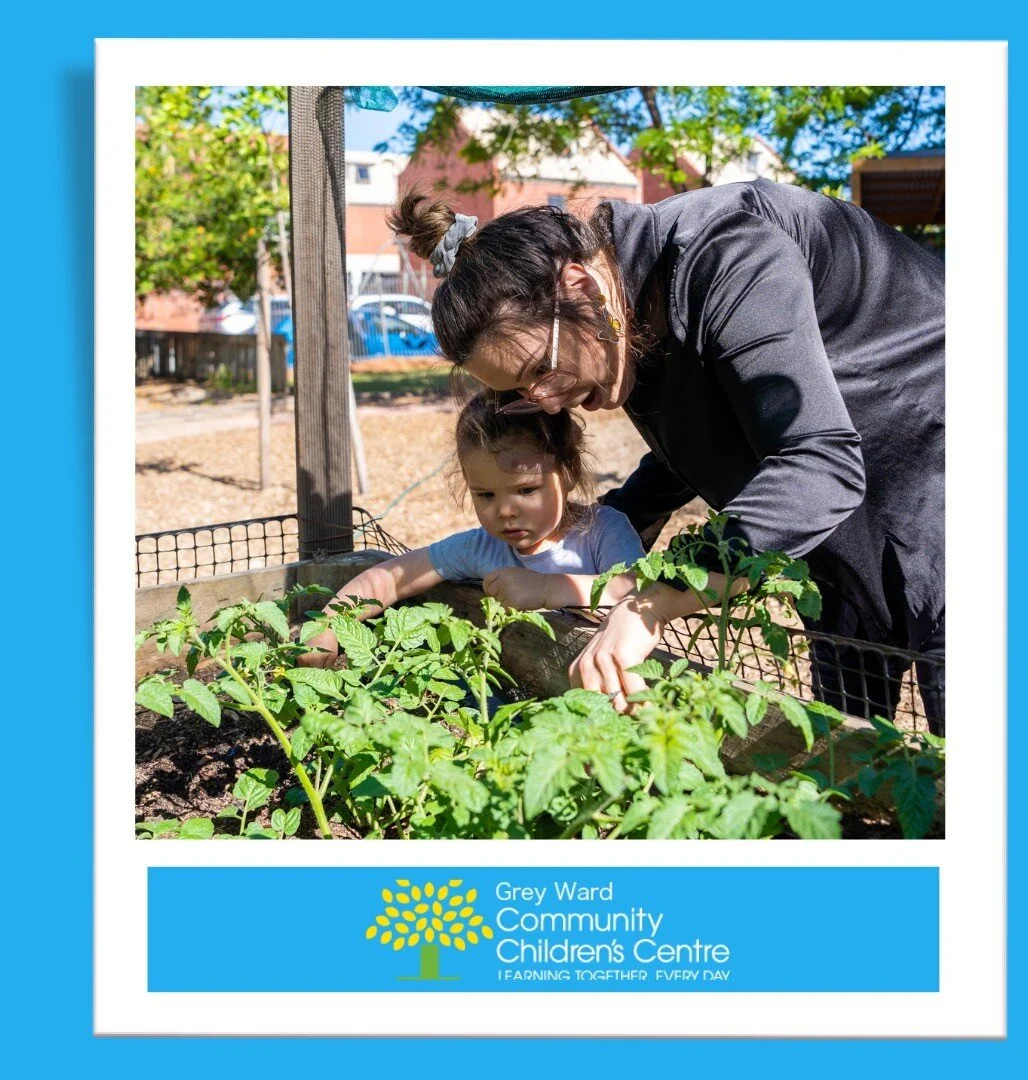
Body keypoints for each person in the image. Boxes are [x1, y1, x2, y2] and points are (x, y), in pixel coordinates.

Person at [385, 181, 945, 734]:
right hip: (834, 539)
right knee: (843, 757)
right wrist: (595, 534)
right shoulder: (617, 315)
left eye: (541, 372)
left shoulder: (730, 255)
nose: (549, 405)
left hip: (943, 469)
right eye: (522, 397)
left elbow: (818, 462)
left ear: (579, 286)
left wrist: (651, 603)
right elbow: (695, 444)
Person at [299, 389, 645, 667]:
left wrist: (547, 588)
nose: (506, 510)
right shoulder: (482, 548)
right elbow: (390, 577)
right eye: (486, 495)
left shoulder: (602, 530)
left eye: (526, 490)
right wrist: (329, 624)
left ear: (567, 473)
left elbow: (637, 591)